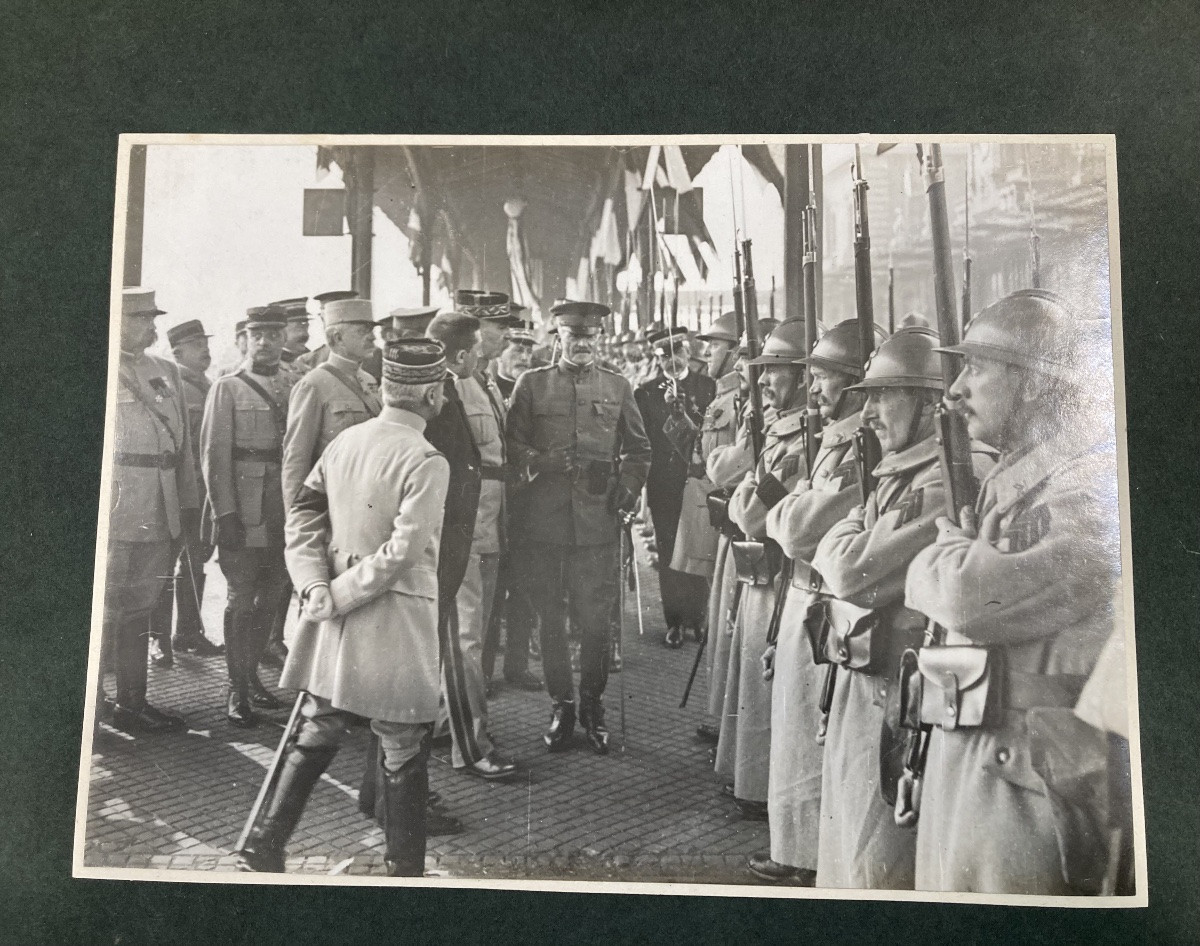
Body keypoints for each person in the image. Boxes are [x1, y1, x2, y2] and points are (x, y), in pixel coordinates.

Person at [905, 290, 1121, 895]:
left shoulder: (1084, 488)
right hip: (983, 746)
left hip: (1023, 774)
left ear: (1030, 384)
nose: (954, 390)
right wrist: (961, 557)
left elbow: (972, 600)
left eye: (976, 368)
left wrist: (946, 552)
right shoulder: (1022, 474)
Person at [235, 338, 453, 876]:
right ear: (431, 393)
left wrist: (313, 587)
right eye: (441, 388)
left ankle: (262, 848)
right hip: (395, 616)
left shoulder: (345, 442)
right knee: (403, 741)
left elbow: (303, 517)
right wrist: (335, 593)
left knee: (319, 726)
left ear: (386, 388)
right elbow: (403, 552)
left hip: (332, 611)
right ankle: (404, 871)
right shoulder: (427, 459)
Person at [809, 326, 967, 890]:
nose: (869, 412)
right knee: (850, 838)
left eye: (883, 395)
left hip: (894, 693)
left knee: (878, 858)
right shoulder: (898, 469)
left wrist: (846, 540)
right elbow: (847, 551)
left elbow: (850, 571)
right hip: (867, 675)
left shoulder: (943, 481)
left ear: (928, 402)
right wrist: (848, 540)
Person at [750, 319, 882, 883]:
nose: (813, 389)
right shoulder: (832, 440)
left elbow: (800, 526)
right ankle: (797, 849)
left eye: (824, 377)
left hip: (827, 603)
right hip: (806, 591)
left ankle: (803, 856)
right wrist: (787, 511)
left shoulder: (857, 448)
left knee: (811, 736)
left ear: (854, 383)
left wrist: (786, 510)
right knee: (798, 730)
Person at [506, 300, 651, 754]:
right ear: (559, 338)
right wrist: (540, 462)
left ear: (598, 339)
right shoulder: (532, 386)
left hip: (596, 526)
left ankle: (593, 706)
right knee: (550, 618)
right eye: (574, 338)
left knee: (595, 623)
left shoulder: (618, 385)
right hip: (544, 524)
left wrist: (627, 488)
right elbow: (511, 444)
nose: (583, 345)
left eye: (590, 338)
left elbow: (640, 449)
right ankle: (561, 706)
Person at [719, 319, 812, 821]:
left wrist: (750, 498)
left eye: (775, 371)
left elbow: (751, 511)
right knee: (753, 685)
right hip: (762, 570)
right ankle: (751, 782)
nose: (765, 382)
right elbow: (742, 498)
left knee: (766, 688)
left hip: (780, 576)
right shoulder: (780, 429)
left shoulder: (803, 440)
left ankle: (759, 790)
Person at [98, 288, 197, 734]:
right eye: (141, 319)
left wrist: (189, 504)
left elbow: (185, 449)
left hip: (160, 510)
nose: (152, 327)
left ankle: (132, 704)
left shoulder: (166, 372)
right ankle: (93, 709)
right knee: (102, 611)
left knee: (139, 609)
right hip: (115, 512)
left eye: (152, 318)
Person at [424, 309, 517, 780]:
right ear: (459, 352)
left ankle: (450, 723)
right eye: (477, 346)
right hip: (465, 528)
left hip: (488, 523)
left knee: (469, 636)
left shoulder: (480, 382)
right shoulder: (445, 390)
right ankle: (471, 746)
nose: (485, 351)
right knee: (465, 639)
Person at [201, 304, 297, 727]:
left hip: (284, 511)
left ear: (283, 337)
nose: (266, 342)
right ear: (244, 338)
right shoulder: (228, 387)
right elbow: (214, 457)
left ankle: (253, 676)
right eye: (257, 334)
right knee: (242, 598)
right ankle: (235, 689)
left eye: (274, 334)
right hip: (244, 510)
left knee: (273, 597)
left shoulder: (296, 384)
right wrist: (225, 514)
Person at [148, 319, 224, 666]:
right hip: (178, 489)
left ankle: (189, 635)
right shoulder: (165, 383)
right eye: (197, 345)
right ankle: (158, 639)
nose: (205, 350)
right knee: (165, 563)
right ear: (178, 351)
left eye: (204, 343)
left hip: (204, 492)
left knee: (196, 562)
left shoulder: (210, 385)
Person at [635, 327, 717, 647]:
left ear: (687, 352)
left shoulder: (706, 386)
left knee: (696, 548)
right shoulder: (645, 393)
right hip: (664, 484)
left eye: (677, 352)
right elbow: (643, 441)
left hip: (696, 481)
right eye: (664, 355)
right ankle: (675, 622)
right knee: (669, 552)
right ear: (656, 359)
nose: (672, 360)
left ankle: (698, 619)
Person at [281, 298, 381, 509]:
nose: (372, 337)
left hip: (369, 502)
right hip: (332, 505)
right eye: (363, 331)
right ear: (337, 337)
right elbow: (295, 463)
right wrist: (297, 524)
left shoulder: (369, 381)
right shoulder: (313, 385)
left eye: (372, 330)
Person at [491, 322, 536, 401]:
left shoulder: (535, 394)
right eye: (518, 350)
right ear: (500, 353)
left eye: (529, 351)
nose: (524, 358)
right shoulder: (489, 392)